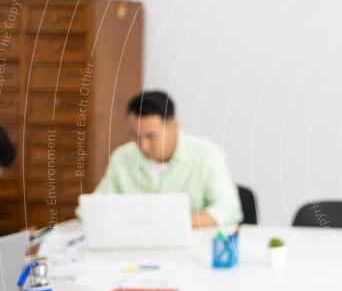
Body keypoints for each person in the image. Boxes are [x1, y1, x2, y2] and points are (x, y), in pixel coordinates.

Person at [92, 90, 242, 228]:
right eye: (135, 136)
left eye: (151, 136)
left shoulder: (207, 154)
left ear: (174, 126)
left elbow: (228, 209)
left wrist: (173, 223)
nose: (143, 146)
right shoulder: (122, 157)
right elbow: (94, 208)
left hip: (190, 246)